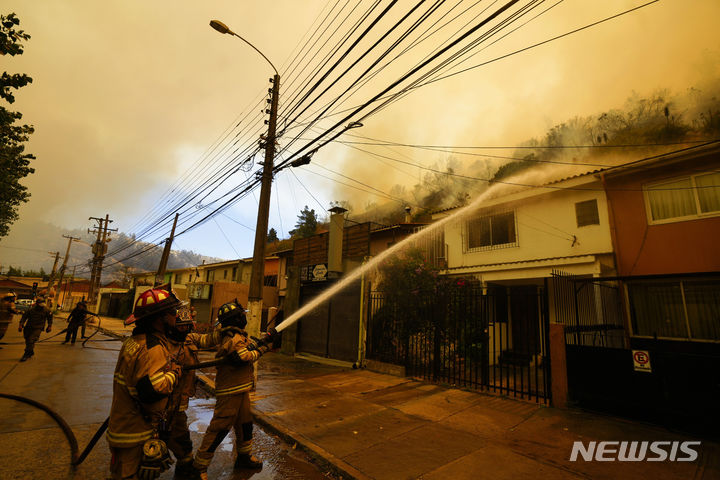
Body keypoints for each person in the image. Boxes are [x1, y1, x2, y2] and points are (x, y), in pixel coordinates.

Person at [191, 299, 278, 479]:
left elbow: (209, 340)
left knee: (245, 424)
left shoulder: (230, 333)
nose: (244, 317)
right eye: (242, 315)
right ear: (237, 319)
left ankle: (244, 457)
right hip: (230, 390)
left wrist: (262, 342)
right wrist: (264, 348)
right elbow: (244, 357)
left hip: (241, 389)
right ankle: (199, 465)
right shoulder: (232, 338)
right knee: (220, 427)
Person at [107, 288, 186, 480]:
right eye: (173, 312)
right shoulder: (152, 347)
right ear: (161, 319)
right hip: (136, 433)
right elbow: (152, 390)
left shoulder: (134, 341)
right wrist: (175, 373)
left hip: (122, 426)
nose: (176, 317)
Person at [166, 305, 224, 480]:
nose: (183, 330)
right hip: (161, 405)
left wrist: (225, 329)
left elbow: (208, 340)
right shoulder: (162, 345)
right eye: (180, 326)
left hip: (179, 405)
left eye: (186, 326)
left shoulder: (189, 339)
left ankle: (184, 469)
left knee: (182, 440)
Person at [18, 296, 53, 362]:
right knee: (27, 340)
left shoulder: (47, 310)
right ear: (37, 304)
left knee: (31, 340)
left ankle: (26, 354)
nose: (41, 306)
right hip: (29, 327)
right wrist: (21, 325)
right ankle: (31, 351)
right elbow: (24, 317)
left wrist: (49, 326)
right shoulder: (31, 310)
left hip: (38, 328)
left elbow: (50, 319)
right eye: (40, 305)